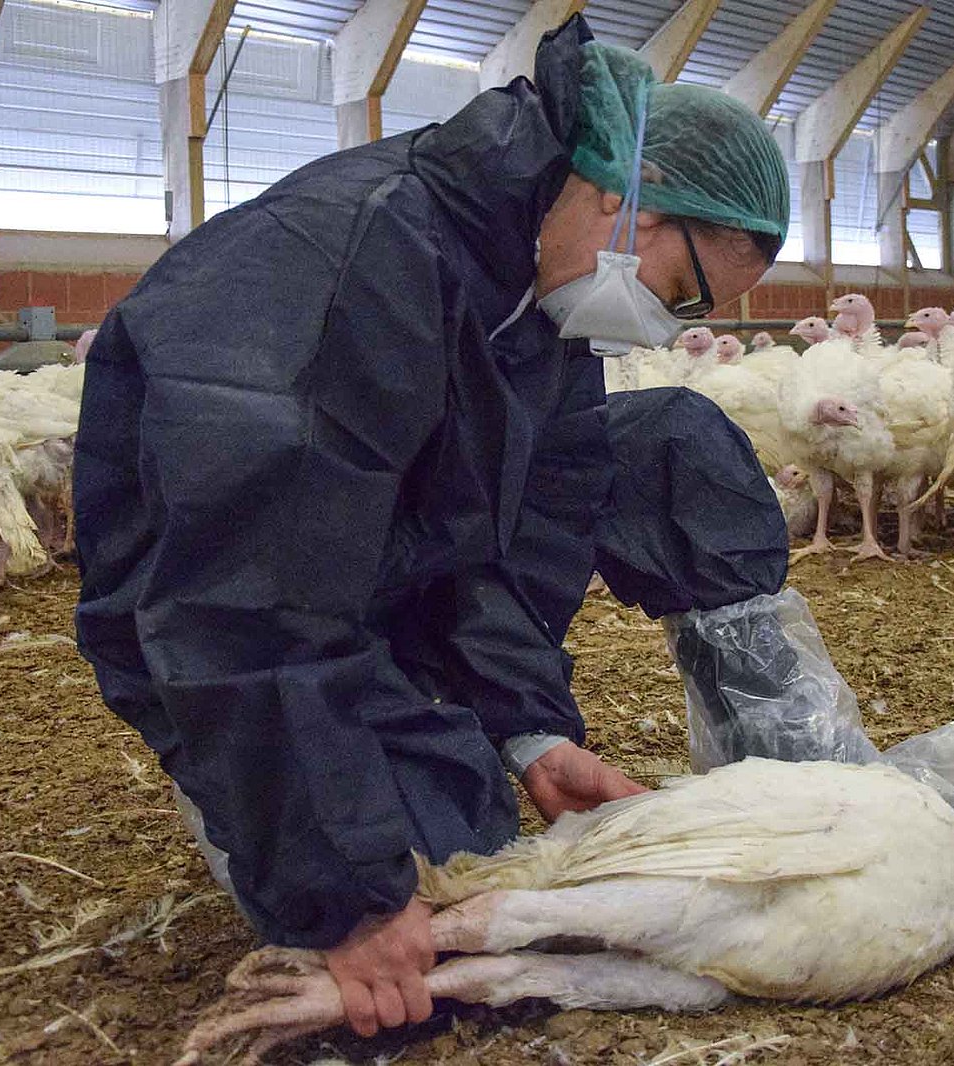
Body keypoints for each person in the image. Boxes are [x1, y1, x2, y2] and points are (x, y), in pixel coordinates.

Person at [72, 14, 790, 1042]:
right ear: (619, 198)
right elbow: (243, 599)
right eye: (679, 291)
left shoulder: (537, 295)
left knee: (475, 886)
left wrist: (530, 727)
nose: (667, 323)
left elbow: (505, 541)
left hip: (357, 590)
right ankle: (237, 789)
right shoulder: (346, 270)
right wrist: (348, 896)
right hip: (211, 622)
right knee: (398, 971)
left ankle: (795, 747)